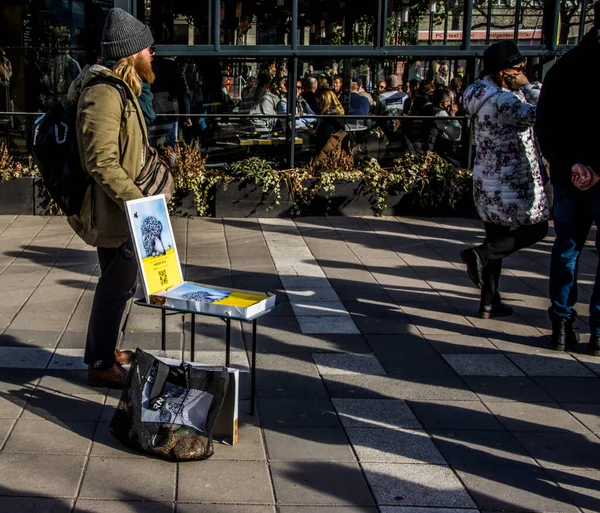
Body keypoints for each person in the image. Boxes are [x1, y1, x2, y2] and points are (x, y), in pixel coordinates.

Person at [66, 8, 156, 387]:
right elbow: (100, 160)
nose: (153, 54)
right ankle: (102, 363)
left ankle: (104, 350)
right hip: (115, 209)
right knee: (117, 284)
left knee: (118, 282)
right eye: (148, 48)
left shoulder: (121, 89)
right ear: (131, 52)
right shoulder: (103, 93)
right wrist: (138, 202)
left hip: (120, 206)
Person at [460, 40, 549, 319]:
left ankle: (488, 302)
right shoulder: (504, 100)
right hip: (512, 181)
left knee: (497, 236)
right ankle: (481, 254)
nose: (523, 72)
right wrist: (527, 86)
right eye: (518, 68)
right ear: (504, 72)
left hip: (486, 178)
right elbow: (545, 111)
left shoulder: (477, 92)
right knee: (538, 230)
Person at [535, 1, 600, 356]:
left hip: (568, 174)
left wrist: (571, 164)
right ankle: (599, 330)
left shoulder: (565, 67)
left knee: (566, 247)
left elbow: (545, 124)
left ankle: (561, 324)